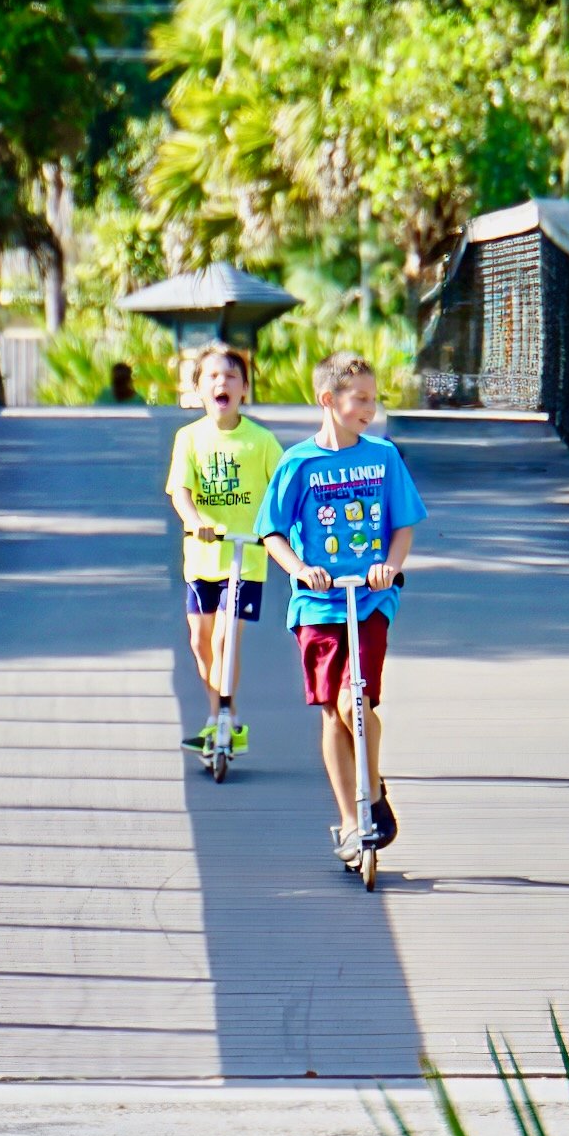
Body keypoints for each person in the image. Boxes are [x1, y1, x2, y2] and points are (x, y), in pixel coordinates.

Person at [257, 351, 427, 867]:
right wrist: (299, 568)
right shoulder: (299, 463)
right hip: (318, 603)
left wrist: (389, 566)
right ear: (328, 400)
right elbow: (272, 531)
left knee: (360, 697)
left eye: (374, 399)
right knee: (334, 709)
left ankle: (372, 791)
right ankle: (352, 819)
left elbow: (403, 524)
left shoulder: (384, 457)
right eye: (361, 399)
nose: (371, 409)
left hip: (370, 597)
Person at [166, 345, 283, 757]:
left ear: (244, 389)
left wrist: (280, 531)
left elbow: (283, 490)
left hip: (245, 559)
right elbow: (180, 491)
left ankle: (226, 718)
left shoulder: (261, 441)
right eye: (212, 377)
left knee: (224, 639)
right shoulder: (189, 438)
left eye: (232, 376)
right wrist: (195, 520)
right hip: (202, 559)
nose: (222, 383)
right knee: (200, 641)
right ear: (198, 389)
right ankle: (218, 714)